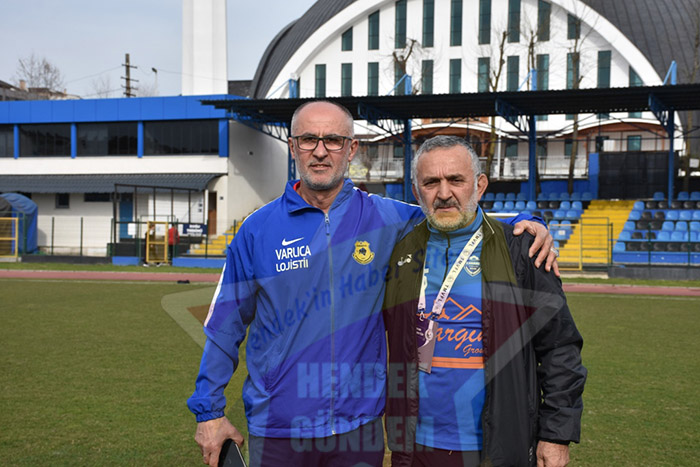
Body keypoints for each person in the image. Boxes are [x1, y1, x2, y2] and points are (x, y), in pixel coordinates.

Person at [187, 101, 559, 467]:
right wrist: (209, 411)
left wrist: (527, 223)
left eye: (333, 140)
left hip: (358, 429)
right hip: (279, 427)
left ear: (352, 149)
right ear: (292, 147)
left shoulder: (388, 218)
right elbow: (224, 326)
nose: (320, 151)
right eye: (308, 139)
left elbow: (459, 213)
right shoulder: (257, 230)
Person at [382, 136, 586, 467]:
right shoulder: (399, 252)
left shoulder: (522, 251)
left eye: (456, 180)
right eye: (431, 182)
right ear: (417, 192)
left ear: (479, 185)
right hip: (417, 446)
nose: (444, 193)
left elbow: (560, 348)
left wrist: (556, 435)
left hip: (498, 447)